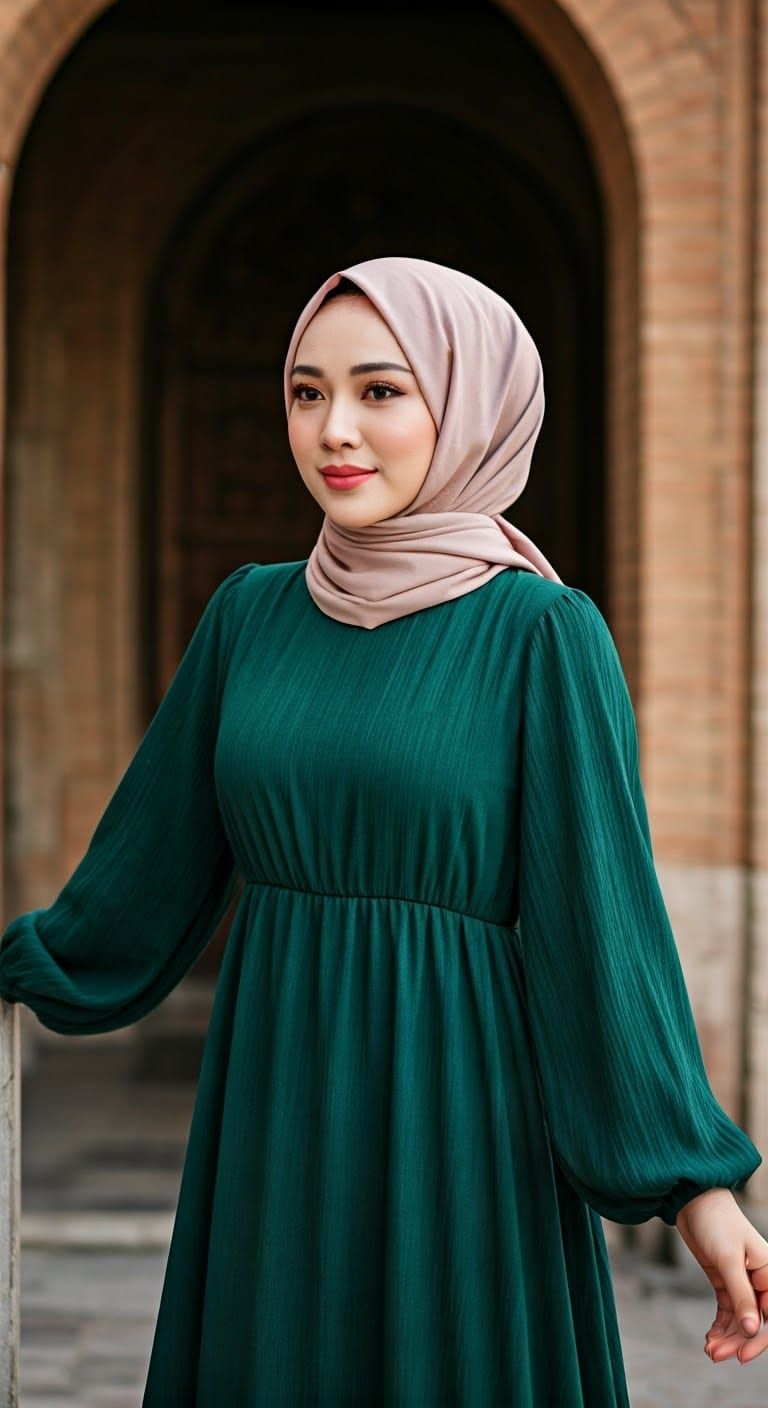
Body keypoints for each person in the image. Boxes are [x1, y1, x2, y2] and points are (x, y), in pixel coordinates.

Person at [0, 254, 766, 1404]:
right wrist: (25, 959)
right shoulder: (248, 615)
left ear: (465, 403)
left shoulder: (541, 635)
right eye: (307, 392)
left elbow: (601, 931)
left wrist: (697, 1187)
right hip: (277, 1115)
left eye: (381, 390)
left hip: (465, 1130)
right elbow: (135, 885)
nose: (334, 429)